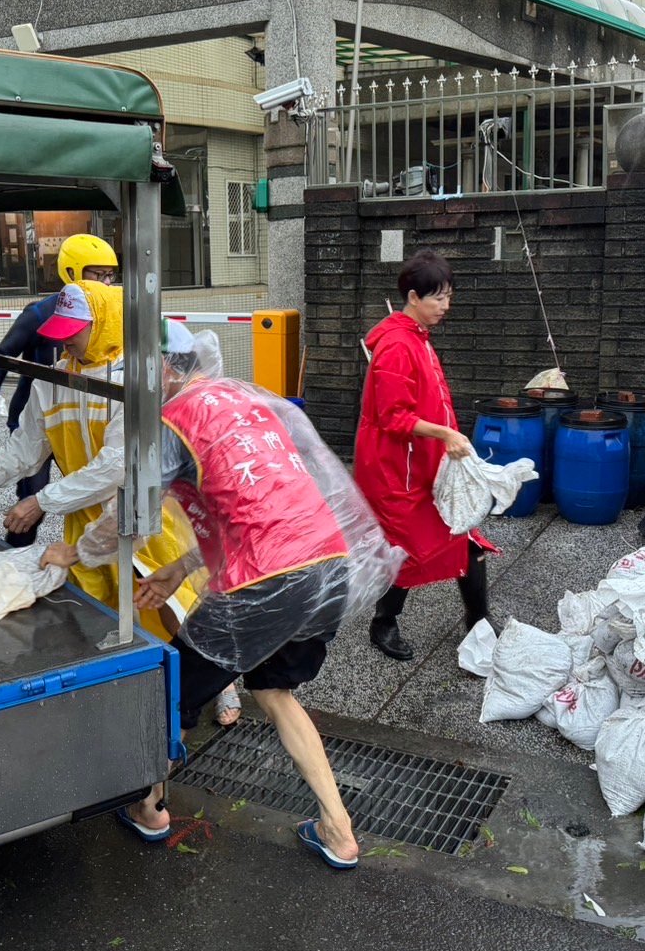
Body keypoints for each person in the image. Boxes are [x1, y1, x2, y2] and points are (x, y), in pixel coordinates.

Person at [49, 323, 403, 870]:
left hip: (268, 579)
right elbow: (254, 505)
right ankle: (339, 829)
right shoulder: (245, 399)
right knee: (275, 692)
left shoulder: (174, 419)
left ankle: (150, 808)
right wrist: (179, 567)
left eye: (141, 371)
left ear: (167, 368)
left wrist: (77, 553)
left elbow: (133, 509)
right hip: (327, 565)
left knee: (176, 694)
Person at [0, 280, 199, 642]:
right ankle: (125, 682)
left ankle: (217, 691)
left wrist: (41, 501)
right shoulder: (54, 379)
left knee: (167, 606)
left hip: (141, 517)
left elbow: (117, 465)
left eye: (74, 331)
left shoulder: (135, 378)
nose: (65, 341)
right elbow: (28, 443)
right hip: (83, 519)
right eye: (61, 331)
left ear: (105, 324)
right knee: (97, 613)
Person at [354, 250, 496, 662]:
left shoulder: (415, 337)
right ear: (414, 297)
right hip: (396, 470)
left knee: (464, 538)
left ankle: (479, 622)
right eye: (439, 298)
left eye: (449, 297)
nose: (446, 306)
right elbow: (393, 416)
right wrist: (446, 432)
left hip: (421, 463)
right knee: (410, 546)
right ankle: (384, 622)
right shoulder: (398, 345)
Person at [0, 233, 119, 548]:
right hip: (41, 417)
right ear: (72, 272)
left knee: (92, 493)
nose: (107, 282)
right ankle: (16, 556)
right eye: (98, 274)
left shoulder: (111, 318)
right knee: (32, 497)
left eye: (111, 274)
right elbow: (1, 353)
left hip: (81, 421)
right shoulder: (40, 314)